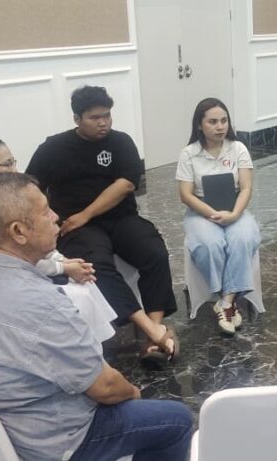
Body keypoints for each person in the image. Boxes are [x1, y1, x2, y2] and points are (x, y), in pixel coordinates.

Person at [0, 172, 193, 461]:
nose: (56, 217)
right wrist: (133, 395)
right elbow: (107, 388)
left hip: (0, 433)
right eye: (45, 211)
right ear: (18, 231)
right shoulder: (43, 305)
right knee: (175, 420)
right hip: (55, 443)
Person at [26, 85, 177, 369]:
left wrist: (86, 213)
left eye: (107, 115)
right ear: (77, 119)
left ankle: (153, 329)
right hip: (76, 227)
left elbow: (127, 184)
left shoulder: (121, 142)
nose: (103, 122)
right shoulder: (53, 148)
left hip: (120, 218)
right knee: (95, 265)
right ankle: (152, 330)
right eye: (94, 117)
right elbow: (30, 188)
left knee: (154, 252)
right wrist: (49, 220)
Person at [0, 136, 95, 282]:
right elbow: (14, 256)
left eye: (13, 162)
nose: (14, 170)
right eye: (7, 164)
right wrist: (63, 268)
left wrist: (62, 259)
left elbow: (30, 239)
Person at [176, 98, 261, 336]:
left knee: (243, 238)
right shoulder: (189, 154)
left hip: (234, 207)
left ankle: (225, 302)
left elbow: (246, 188)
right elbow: (185, 194)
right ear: (199, 125)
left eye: (224, 121)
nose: (220, 126)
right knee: (209, 244)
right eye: (213, 122)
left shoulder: (238, 148)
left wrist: (234, 214)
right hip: (201, 210)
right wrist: (211, 214)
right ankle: (228, 298)